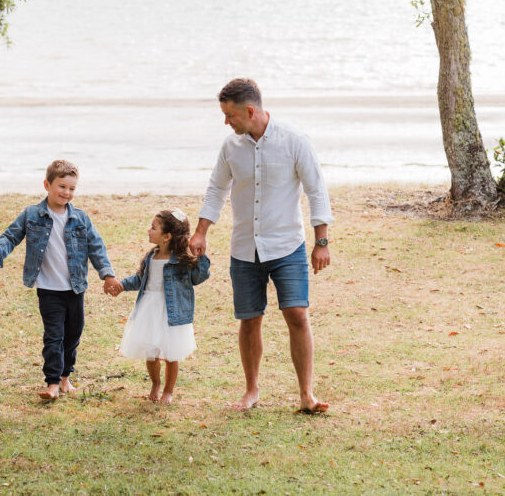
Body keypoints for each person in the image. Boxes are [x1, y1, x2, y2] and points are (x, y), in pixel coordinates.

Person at [189, 78, 334, 414]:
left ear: (250, 110)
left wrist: (321, 241)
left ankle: (306, 395)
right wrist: (201, 233)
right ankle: (251, 390)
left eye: (230, 116)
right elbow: (216, 191)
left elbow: (317, 191)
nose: (227, 122)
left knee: (297, 314)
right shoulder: (231, 147)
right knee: (250, 319)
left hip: (287, 245)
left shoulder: (294, 141)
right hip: (244, 249)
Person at [0, 159, 121, 400]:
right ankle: (53, 383)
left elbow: (96, 247)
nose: (67, 193)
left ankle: (66, 378)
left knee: (73, 334)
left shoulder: (80, 218)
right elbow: (10, 236)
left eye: (72, 189)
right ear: (47, 185)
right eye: (62, 187)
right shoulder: (31, 215)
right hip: (48, 289)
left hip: (75, 288)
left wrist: (108, 275)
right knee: (54, 335)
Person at [106, 209, 210, 404]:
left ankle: (168, 391)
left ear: (167, 236)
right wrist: (121, 286)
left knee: (172, 354)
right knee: (151, 353)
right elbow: (140, 279)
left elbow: (198, 278)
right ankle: (155, 383)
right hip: (149, 309)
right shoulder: (150, 257)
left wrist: (201, 257)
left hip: (172, 311)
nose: (149, 230)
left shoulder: (181, 260)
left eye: (153, 228)